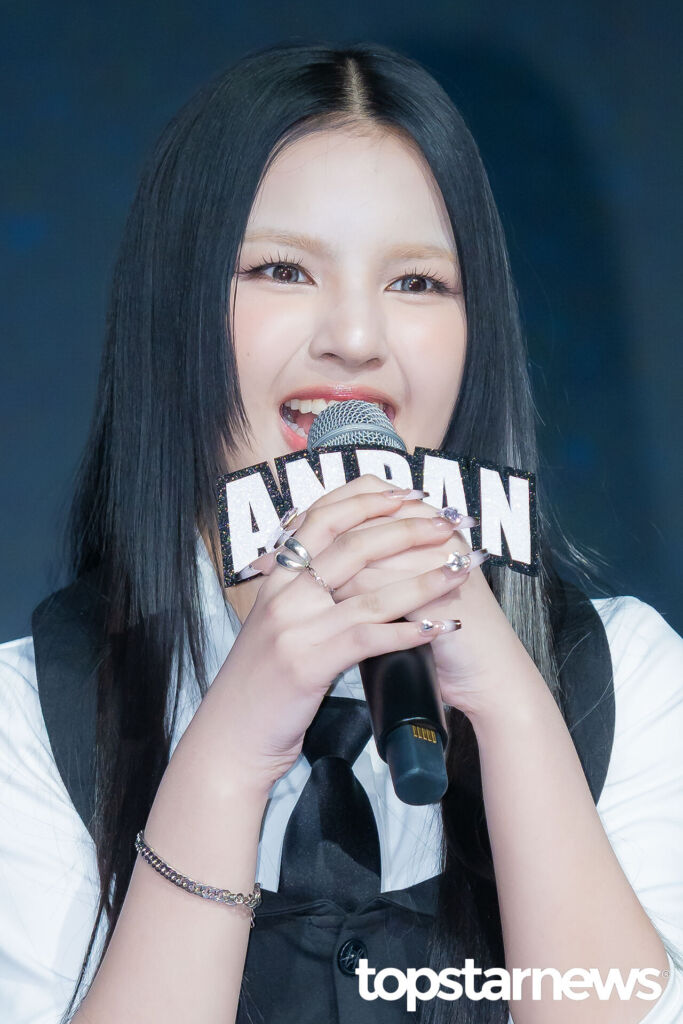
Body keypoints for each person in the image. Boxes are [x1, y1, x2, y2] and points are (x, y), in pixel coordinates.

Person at [1, 41, 682, 1024]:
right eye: (281, 270)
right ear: (173, 312)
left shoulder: (625, 678)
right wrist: (229, 755)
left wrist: (511, 711)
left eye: (417, 283)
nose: (356, 340)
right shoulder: (30, 720)